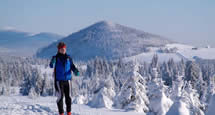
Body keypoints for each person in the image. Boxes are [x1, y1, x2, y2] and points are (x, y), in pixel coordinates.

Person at [49, 42, 80, 115]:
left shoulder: (69, 58)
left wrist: (75, 70)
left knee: (68, 97)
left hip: (68, 80)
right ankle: (61, 113)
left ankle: (69, 112)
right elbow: (51, 65)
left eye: (64, 49)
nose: (63, 50)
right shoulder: (56, 58)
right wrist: (52, 62)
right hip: (59, 81)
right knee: (60, 97)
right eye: (62, 49)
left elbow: (72, 66)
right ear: (59, 50)